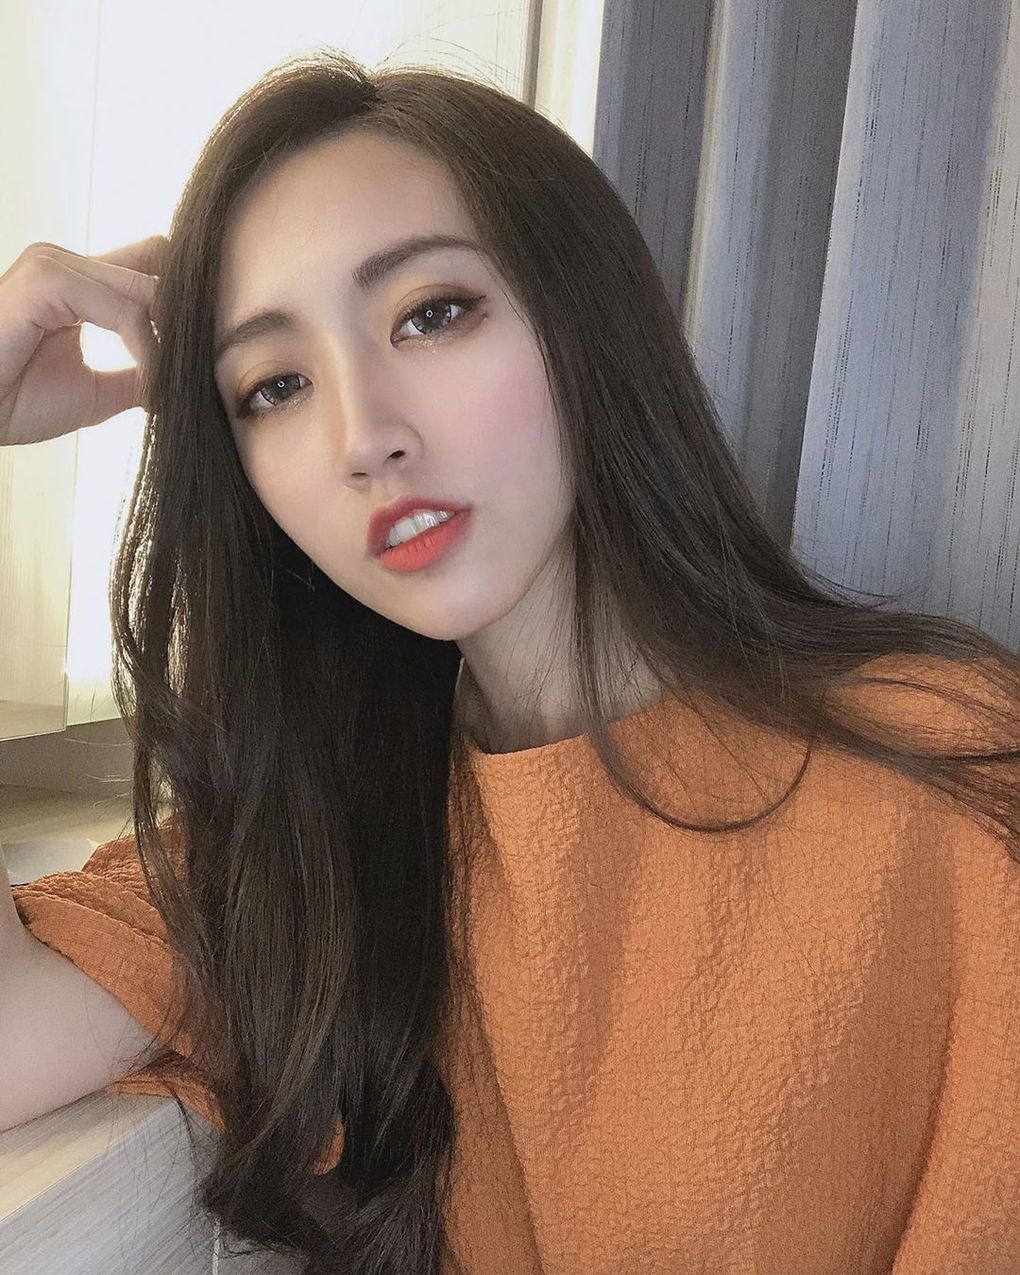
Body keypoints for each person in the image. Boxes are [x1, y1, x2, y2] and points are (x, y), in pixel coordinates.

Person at [3, 46, 1020, 1275]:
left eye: (431, 314)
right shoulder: (302, 853)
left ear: (587, 315)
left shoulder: (946, 773)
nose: (364, 436)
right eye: (274, 386)